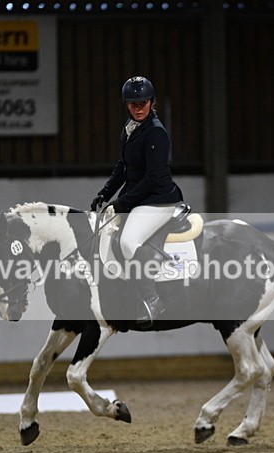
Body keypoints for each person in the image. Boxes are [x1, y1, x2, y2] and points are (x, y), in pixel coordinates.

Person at [91, 76, 184, 327]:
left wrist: (122, 203)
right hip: (140, 199)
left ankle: (152, 299)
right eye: (133, 104)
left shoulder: (156, 132)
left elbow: (152, 178)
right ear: (126, 105)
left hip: (159, 201)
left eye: (143, 103)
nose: (138, 108)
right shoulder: (129, 128)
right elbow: (123, 167)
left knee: (128, 241)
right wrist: (105, 193)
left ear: (151, 102)